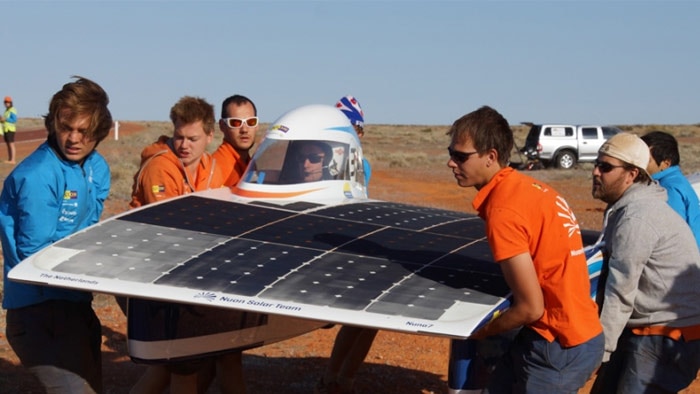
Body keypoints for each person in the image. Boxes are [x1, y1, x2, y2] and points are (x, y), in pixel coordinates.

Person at [446, 105, 604, 393]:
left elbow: (531, 307)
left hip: (558, 345)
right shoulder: (531, 189)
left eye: (460, 156)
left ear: (490, 157)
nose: (451, 163)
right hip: (571, 332)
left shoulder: (504, 211)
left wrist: (482, 332)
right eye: (450, 153)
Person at [0, 76, 113, 393]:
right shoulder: (37, 176)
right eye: (66, 128)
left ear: (100, 130)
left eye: (84, 131)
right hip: (38, 313)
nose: (74, 139)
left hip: (76, 304)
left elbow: (90, 232)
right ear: (53, 124)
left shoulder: (97, 168)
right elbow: (36, 253)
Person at [129, 96, 228, 394]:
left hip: (187, 273)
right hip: (151, 274)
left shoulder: (212, 168)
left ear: (210, 137)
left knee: (172, 366)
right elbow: (171, 230)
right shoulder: (161, 167)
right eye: (179, 137)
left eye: (193, 139)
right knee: (184, 364)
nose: (184, 145)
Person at [589, 132, 700, 393]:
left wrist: (599, 352)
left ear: (632, 175)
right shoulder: (628, 208)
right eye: (596, 164)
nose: (595, 172)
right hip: (646, 326)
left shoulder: (638, 218)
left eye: (605, 167)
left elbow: (621, 291)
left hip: (666, 334)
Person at [316, 96, 375, 394]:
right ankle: (333, 378)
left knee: (366, 320)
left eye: (354, 127)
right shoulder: (320, 161)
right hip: (335, 249)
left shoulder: (360, 164)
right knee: (358, 319)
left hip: (355, 247)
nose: (351, 132)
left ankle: (341, 379)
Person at [640, 130, 700, 247]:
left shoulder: (668, 189)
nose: (639, 163)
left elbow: (672, 234)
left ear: (665, 164)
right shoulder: (676, 181)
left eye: (646, 159)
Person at [213, 94, 259, 187]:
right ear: (222, 126)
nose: (244, 130)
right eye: (236, 123)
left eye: (251, 122)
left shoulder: (250, 164)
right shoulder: (217, 167)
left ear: (257, 126)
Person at [1, 95, 18, 163]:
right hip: (6, 129)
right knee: (8, 144)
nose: (6, 104)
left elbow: (14, 120)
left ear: (10, 103)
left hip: (10, 129)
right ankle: (10, 158)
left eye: (8, 102)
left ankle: (13, 159)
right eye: (5, 102)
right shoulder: (6, 111)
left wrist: (5, 119)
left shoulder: (12, 110)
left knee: (11, 144)